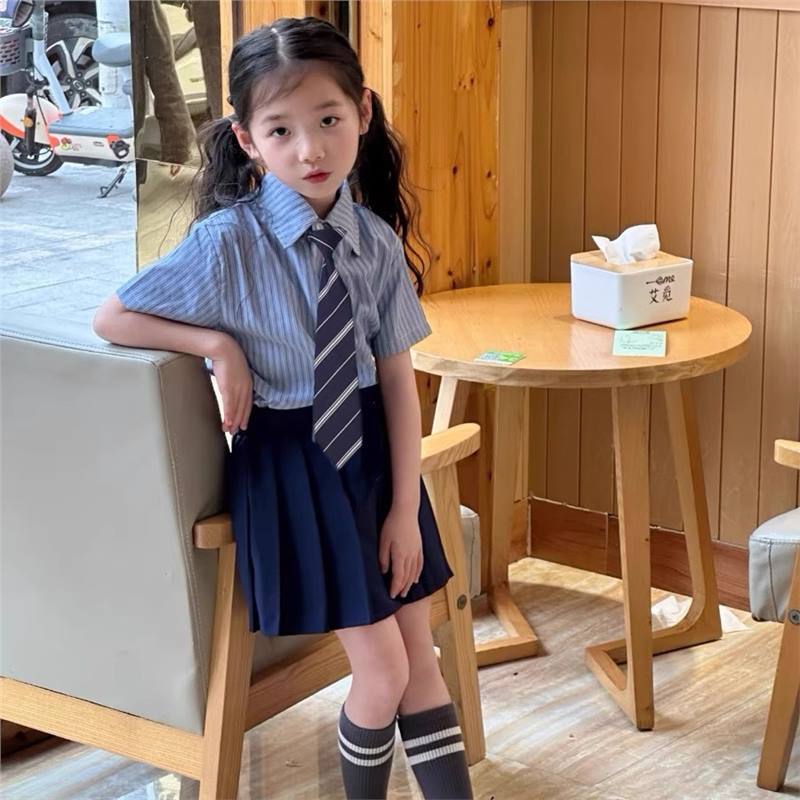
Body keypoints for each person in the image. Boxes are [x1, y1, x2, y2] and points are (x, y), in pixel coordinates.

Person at [92, 17, 474, 800]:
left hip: (374, 461)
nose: (310, 149)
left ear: (362, 112)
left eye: (328, 120)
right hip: (295, 471)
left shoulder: (371, 238)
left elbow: (396, 382)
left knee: (421, 664)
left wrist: (406, 508)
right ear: (247, 139)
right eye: (281, 130)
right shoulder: (228, 244)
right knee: (385, 670)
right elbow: (113, 317)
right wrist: (217, 346)